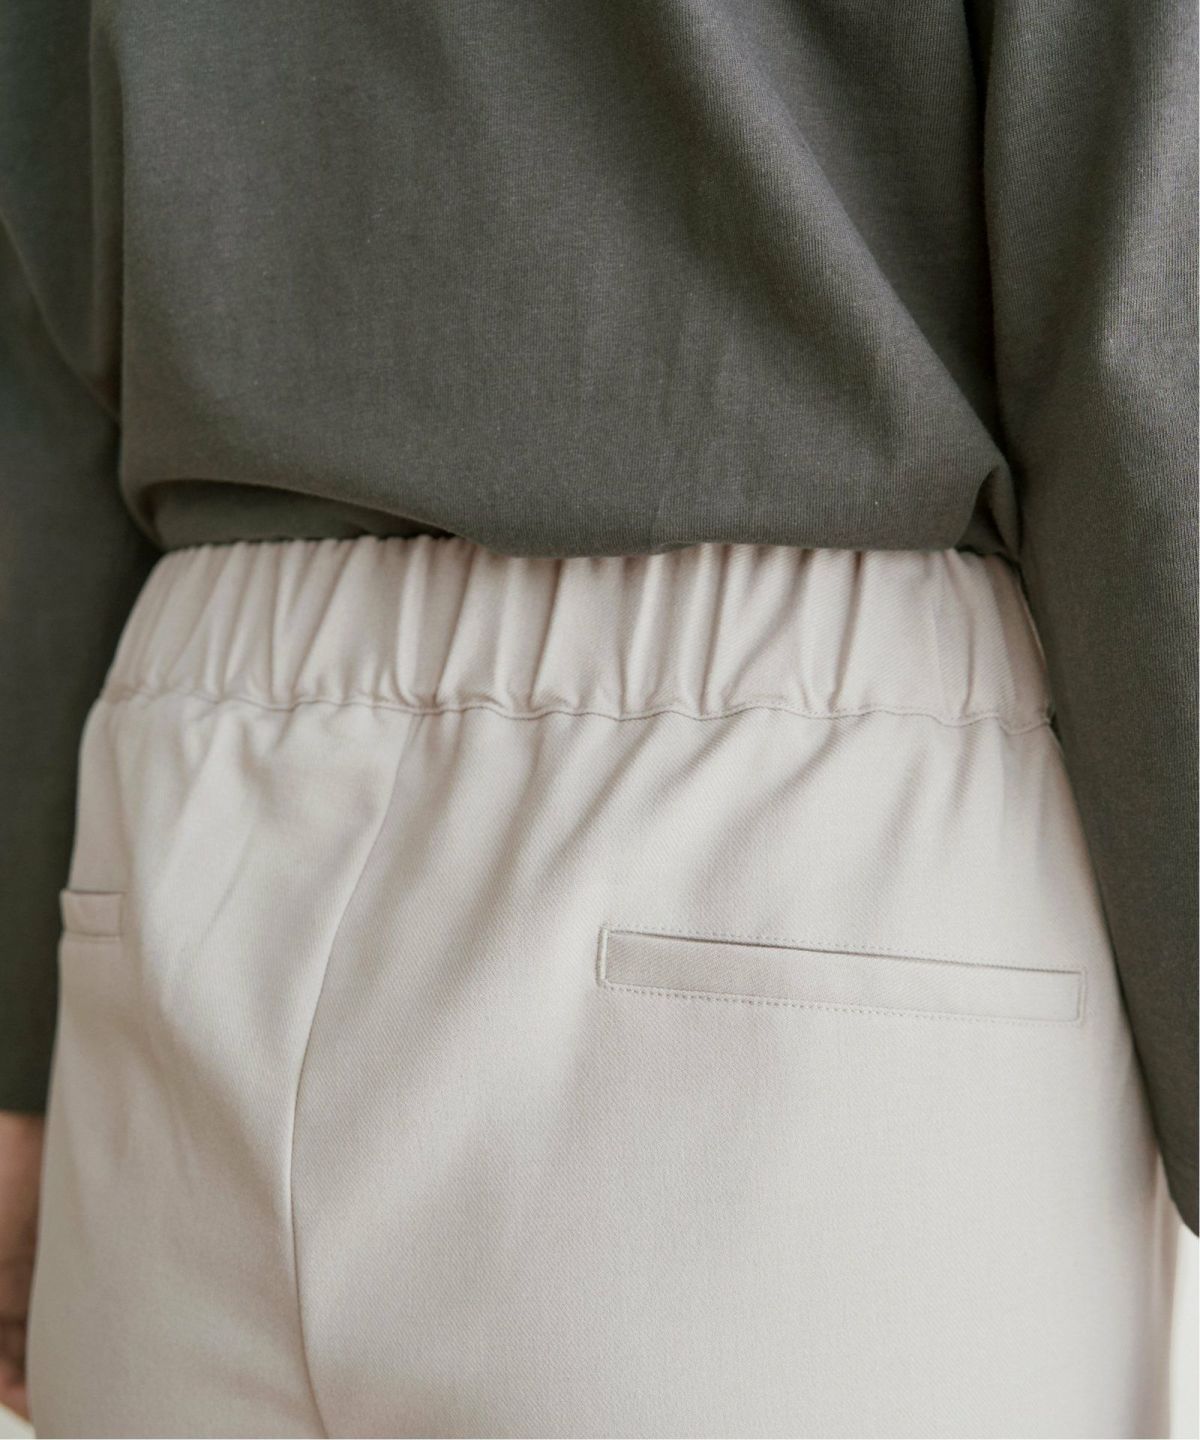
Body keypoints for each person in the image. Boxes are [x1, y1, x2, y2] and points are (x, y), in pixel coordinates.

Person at [1, 2, 1195, 1435]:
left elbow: (35, 319)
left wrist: (16, 1059)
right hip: (785, 837)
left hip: (185, 791)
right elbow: (1144, 327)